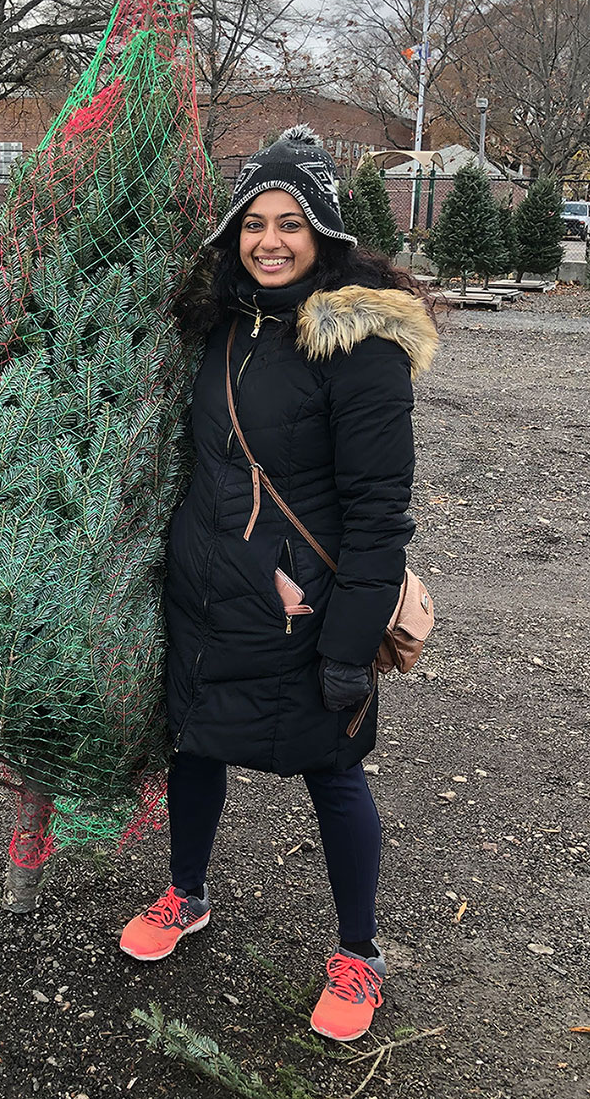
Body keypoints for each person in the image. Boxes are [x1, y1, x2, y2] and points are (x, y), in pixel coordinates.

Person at [118, 127, 439, 1043]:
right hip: (203, 593)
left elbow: (379, 514)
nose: (269, 241)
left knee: (332, 772)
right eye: (253, 223)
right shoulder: (219, 326)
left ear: (323, 232)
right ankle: (186, 893)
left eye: (290, 224)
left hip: (304, 609)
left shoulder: (361, 348)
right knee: (195, 750)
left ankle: (358, 953)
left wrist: (348, 643)